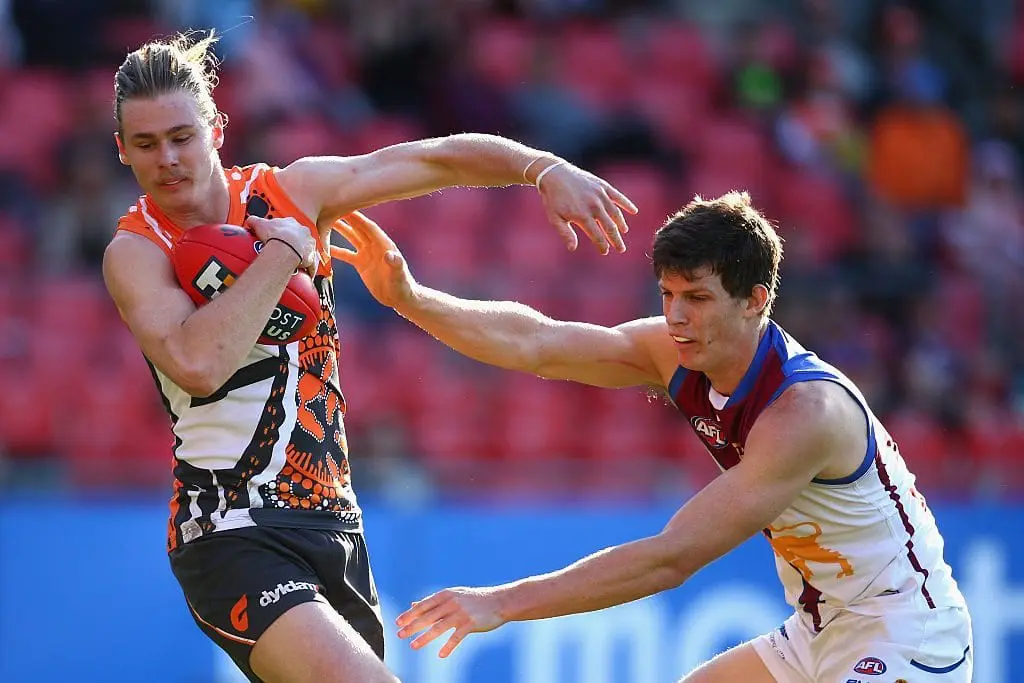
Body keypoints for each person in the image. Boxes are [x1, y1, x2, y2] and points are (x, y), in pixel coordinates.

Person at [101, 31, 637, 683]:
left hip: (335, 524)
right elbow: (199, 362)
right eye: (148, 143)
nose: (168, 158)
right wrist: (282, 254)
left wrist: (542, 169)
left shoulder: (295, 189)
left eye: (181, 136)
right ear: (123, 150)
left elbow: (435, 160)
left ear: (216, 129)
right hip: (230, 529)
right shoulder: (138, 252)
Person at [331, 196, 973, 682]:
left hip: (902, 633)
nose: (675, 316)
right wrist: (411, 299)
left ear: (757, 300)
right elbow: (538, 341)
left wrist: (503, 602)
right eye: (667, 293)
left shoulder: (804, 412)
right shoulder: (675, 352)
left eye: (696, 297)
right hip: (818, 626)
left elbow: (673, 558)